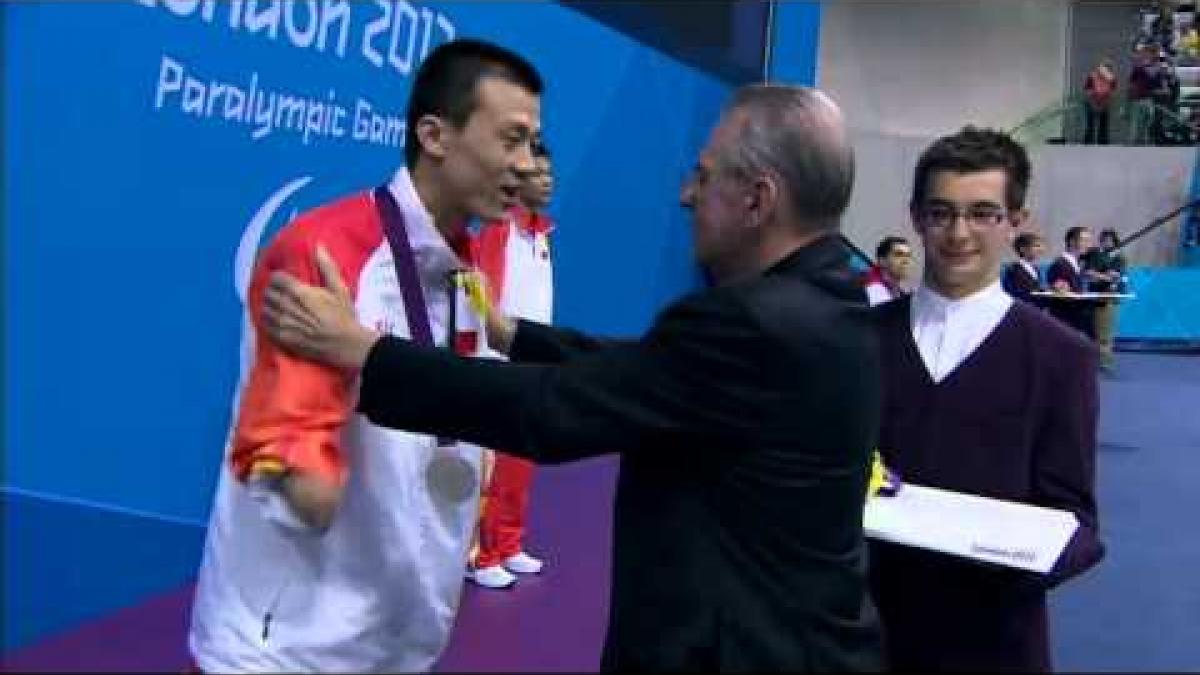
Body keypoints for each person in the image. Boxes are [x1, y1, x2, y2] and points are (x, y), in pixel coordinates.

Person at [260, 84, 885, 671]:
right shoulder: (832, 303)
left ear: (758, 199)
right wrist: (515, 336)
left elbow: (553, 410)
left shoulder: (752, 321)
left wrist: (367, 354)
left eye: (705, 174)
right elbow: (649, 369)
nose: (686, 195)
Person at [187, 38, 543, 673]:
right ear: (435, 136)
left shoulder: (468, 267)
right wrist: (299, 461)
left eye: (532, 142)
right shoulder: (323, 251)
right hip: (285, 650)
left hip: (399, 641)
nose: (525, 163)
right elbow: (297, 482)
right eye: (510, 138)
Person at [869, 127, 1105, 672]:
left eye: (982, 213)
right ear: (915, 217)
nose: (958, 233)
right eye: (941, 212)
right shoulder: (858, 340)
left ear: (1015, 221)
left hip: (993, 641)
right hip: (864, 634)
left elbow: (1077, 522)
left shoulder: (1061, 357)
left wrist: (1006, 557)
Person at [468, 143, 556, 589]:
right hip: (497, 366)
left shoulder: (542, 234)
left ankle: (507, 542)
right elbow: (479, 291)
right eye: (537, 174)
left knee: (521, 461)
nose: (547, 180)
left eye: (549, 173)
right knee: (491, 466)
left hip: (531, 366)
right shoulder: (497, 230)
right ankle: (479, 555)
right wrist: (489, 353)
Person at [1081, 228, 1128, 370]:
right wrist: (1098, 275)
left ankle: (1105, 363)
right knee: (1089, 332)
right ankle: (1090, 361)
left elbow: (1114, 276)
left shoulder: (1119, 257)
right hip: (1091, 298)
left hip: (1108, 300)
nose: (1106, 242)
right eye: (1103, 239)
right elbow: (1086, 272)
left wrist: (1098, 275)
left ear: (1114, 241)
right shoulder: (1094, 254)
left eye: (1109, 240)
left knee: (1105, 334)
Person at [1047, 225, 1097, 338]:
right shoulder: (1060, 264)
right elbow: (1060, 292)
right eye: (1084, 240)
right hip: (1065, 321)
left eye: (1089, 241)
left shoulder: (1076, 264)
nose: (1088, 245)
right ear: (1071, 241)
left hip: (1075, 321)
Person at [862, 235, 913, 306]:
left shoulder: (896, 290)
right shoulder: (875, 290)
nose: (906, 261)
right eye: (899, 254)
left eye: (908, 256)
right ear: (882, 260)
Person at [1001, 231, 1046, 304]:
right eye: (1036, 246)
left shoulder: (1036, 269)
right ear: (1023, 249)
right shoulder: (1013, 270)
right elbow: (1017, 294)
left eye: (1041, 246)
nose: (1041, 249)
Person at [1082, 58, 1117, 145]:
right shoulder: (1092, 76)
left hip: (1104, 103)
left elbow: (1112, 93)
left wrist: (1104, 104)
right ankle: (1088, 144)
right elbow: (1088, 91)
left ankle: (1103, 144)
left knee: (1103, 125)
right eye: (1106, 67)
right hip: (1091, 102)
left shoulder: (1112, 78)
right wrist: (1094, 104)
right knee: (1090, 125)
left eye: (1109, 68)